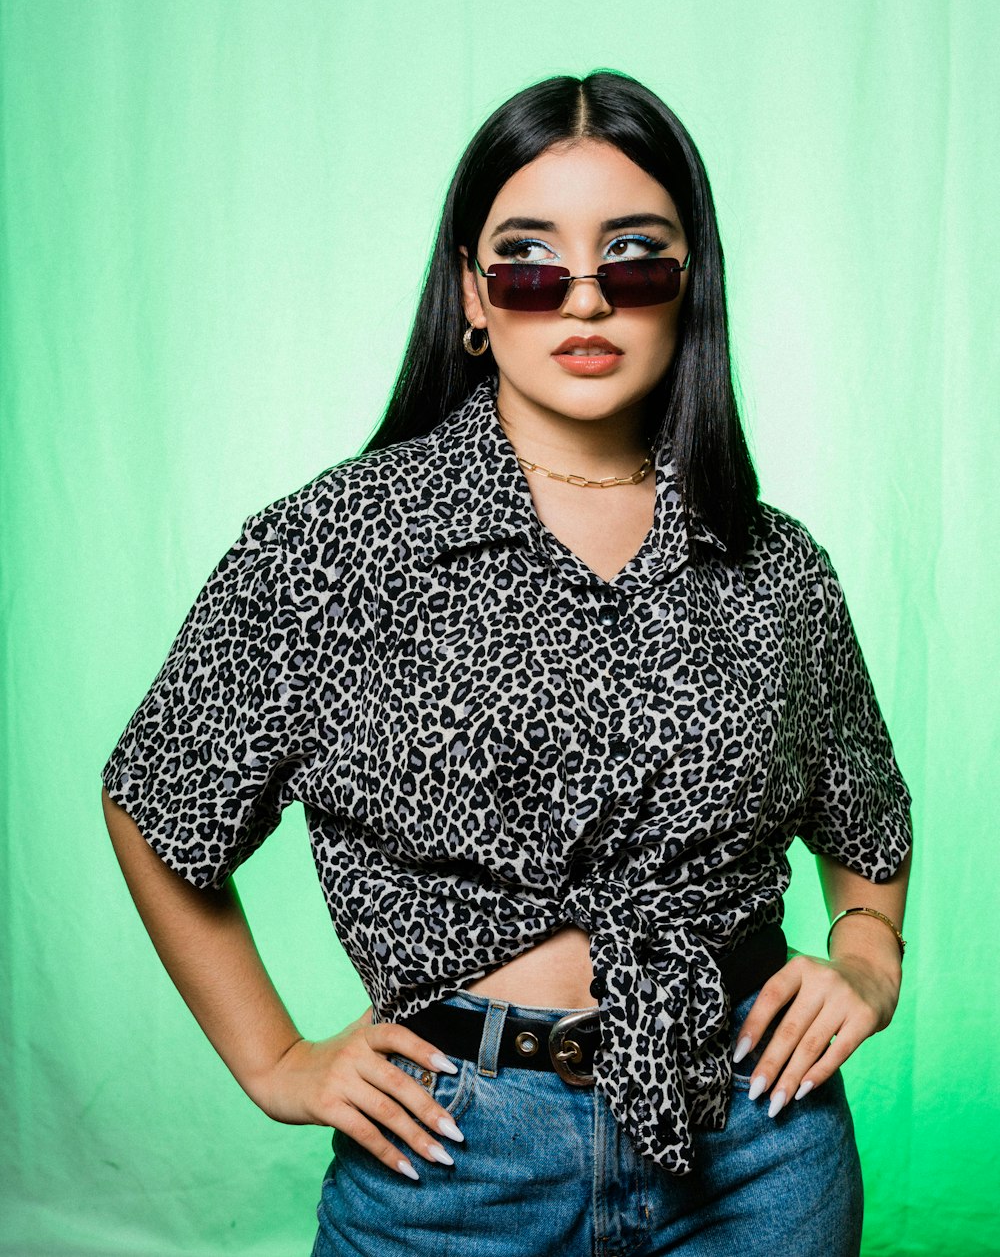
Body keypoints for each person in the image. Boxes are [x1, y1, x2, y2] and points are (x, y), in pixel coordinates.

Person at [101, 69, 913, 1257]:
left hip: (758, 1147)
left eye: (633, 257)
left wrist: (865, 959)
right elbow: (157, 797)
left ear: (689, 288)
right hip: (452, 1157)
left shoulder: (776, 566)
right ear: (474, 298)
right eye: (530, 262)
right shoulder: (336, 545)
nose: (583, 298)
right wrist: (274, 1059)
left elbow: (868, 824)